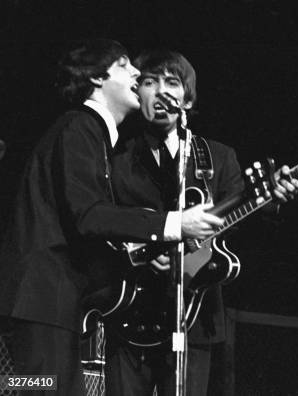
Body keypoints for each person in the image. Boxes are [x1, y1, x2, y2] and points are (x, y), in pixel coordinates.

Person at [0, 39, 224, 395]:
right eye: (124, 66)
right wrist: (173, 224)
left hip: (50, 304)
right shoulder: (79, 128)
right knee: (42, 389)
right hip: (42, 301)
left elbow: (82, 220)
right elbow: (88, 215)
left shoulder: (92, 135)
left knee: (41, 388)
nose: (137, 73)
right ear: (97, 78)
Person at [107, 49, 298, 395]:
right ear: (137, 92)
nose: (160, 92)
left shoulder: (216, 157)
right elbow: (100, 225)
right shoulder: (117, 159)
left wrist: (272, 202)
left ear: (187, 97)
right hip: (130, 310)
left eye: (172, 83)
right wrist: (141, 249)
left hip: (195, 318)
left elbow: (249, 226)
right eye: (150, 82)